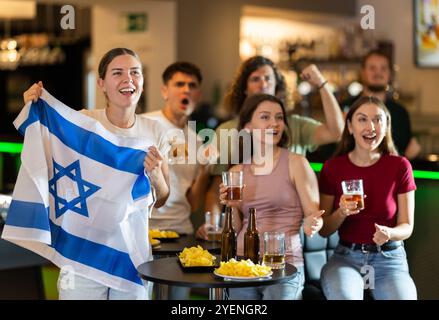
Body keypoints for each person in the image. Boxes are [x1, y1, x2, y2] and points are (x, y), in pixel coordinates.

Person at [22, 48, 170, 300]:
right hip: (82, 252)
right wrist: (32, 108)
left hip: (131, 254)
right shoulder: (84, 121)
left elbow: (164, 196)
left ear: (143, 82)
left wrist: (156, 176)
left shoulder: (155, 130)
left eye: (135, 72)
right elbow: (43, 145)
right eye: (117, 73)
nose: (128, 79)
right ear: (101, 83)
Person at [198, 55, 343, 238]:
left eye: (268, 78)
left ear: (278, 86)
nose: (263, 83)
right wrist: (213, 224)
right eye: (255, 79)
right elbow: (217, 188)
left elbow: (337, 131)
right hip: (245, 236)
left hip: (290, 236)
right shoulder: (227, 132)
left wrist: (321, 83)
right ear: (244, 88)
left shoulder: (295, 126)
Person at [219, 93, 324, 300]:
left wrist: (313, 223)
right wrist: (231, 206)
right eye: (265, 117)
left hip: (284, 265)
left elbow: (315, 214)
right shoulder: (236, 171)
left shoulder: (297, 163)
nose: (274, 123)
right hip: (243, 264)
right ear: (247, 127)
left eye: (279, 117)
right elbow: (237, 228)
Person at [318, 96, 417, 300]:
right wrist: (341, 212)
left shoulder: (400, 166)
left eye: (378, 119)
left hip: (389, 261)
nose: (370, 126)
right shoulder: (332, 168)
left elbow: (407, 226)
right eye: (362, 119)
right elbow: (325, 229)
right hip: (347, 259)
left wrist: (389, 233)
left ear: (386, 125)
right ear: (350, 126)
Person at [141, 61, 210, 299]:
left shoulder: (197, 140)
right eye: (179, 84)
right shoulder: (145, 125)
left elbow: (193, 203)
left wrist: (204, 168)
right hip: (146, 232)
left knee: (179, 302)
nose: (186, 90)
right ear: (164, 91)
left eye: (192, 85)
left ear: (198, 94)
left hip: (182, 233)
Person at [342, 50, 421, 159]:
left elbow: (405, 151)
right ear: (363, 72)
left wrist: (409, 154)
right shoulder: (345, 107)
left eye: (383, 68)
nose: (378, 73)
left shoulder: (400, 113)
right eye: (372, 68)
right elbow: (330, 150)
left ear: (389, 74)